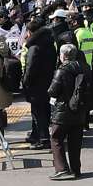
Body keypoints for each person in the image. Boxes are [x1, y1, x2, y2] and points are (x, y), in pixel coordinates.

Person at [48, 43, 88, 181]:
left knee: (56, 138)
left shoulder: (62, 70)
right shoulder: (84, 67)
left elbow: (52, 91)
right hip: (79, 110)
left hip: (63, 111)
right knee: (75, 142)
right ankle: (76, 169)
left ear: (63, 55)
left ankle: (62, 169)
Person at [22, 16, 57, 149]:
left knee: (38, 112)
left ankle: (43, 138)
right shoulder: (49, 43)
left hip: (36, 84)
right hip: (47, 81)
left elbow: (30, 68)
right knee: (43, 109)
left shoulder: (34, 47)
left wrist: (25, 81)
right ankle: (36, 134)